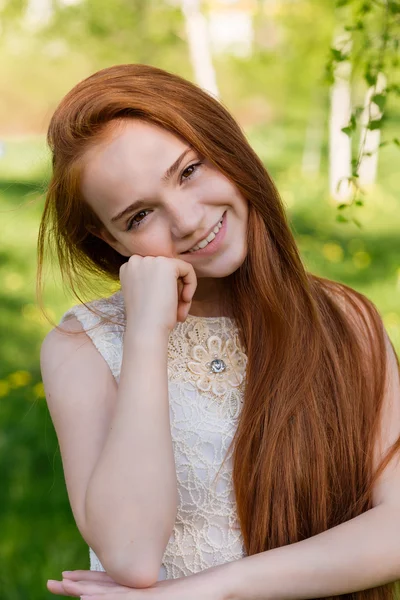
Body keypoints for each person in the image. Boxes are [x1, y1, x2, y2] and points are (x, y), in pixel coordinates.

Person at [38, 64, 400, 600]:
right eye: (139, 216)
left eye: (188, 172)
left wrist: (208, 590)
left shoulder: (346, 321)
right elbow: (133, 556)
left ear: (228, 148)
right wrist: (145, 335)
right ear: (109, 238)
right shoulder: (83, 347)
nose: (185, 220)